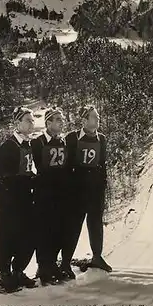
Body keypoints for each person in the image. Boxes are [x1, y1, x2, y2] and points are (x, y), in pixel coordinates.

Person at [0, 106, 37, 293]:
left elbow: (25, 169)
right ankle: (5, 274)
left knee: (27, 235)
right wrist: (9, 184)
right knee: (6, 236)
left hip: (24, 197)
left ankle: (18, 271)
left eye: (32, 120)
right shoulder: (8, 146)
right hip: (8, 200)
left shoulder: (28, 144)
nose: (32, 123)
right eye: (28, 120)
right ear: (17, 123)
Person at [64, 105, 112, 273]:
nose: (97, 119)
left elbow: (102, 164)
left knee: (95, 223)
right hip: (77, 191)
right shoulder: (72, 138)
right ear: (84, 120)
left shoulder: (102, 139)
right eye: (93, 116)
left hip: (96, 190)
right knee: (73, 225)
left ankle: (97, 257)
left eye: (98, 116)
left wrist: (103, 185)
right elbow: (66, 165)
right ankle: (65, 262)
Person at [31, 107, 75, 285]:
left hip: (61, 194)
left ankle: (53, 264)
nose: (61, 122)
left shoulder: (64, 142)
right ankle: (43, 267)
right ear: (48, 123)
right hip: (44, 193)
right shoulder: (38, 142)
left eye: (62, 119)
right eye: (57, 119)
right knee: (44, 231)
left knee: (59, 230)